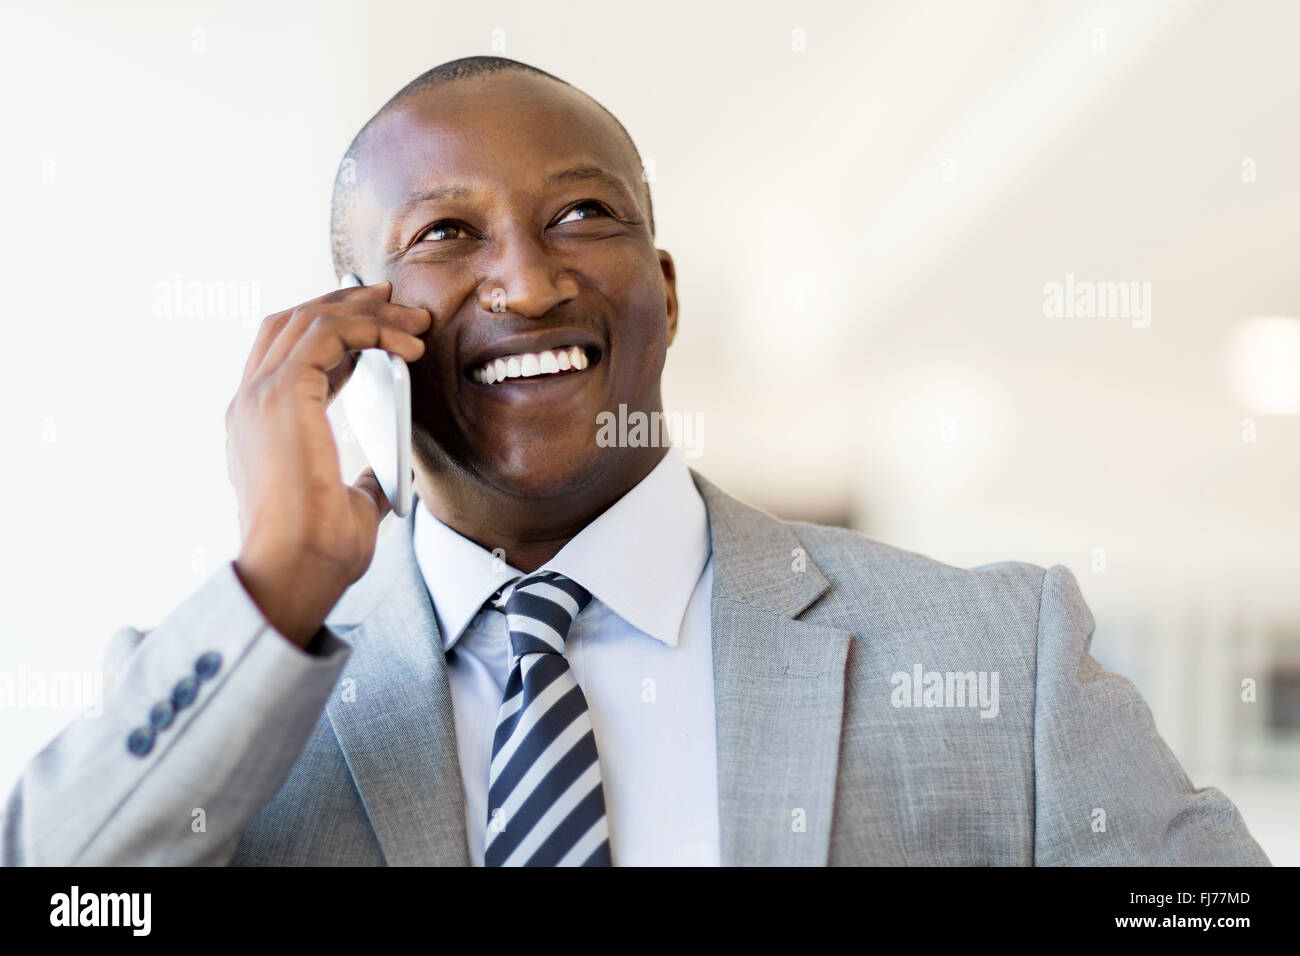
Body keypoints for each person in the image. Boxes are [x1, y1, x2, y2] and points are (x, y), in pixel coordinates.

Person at [0, 56, 1269, 866]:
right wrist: (279, 581)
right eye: (447, 232)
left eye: (581, 216)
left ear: (660, 289)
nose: (530, 279)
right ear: (359, 326)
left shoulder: (1002, 650)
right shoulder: (231, 694)